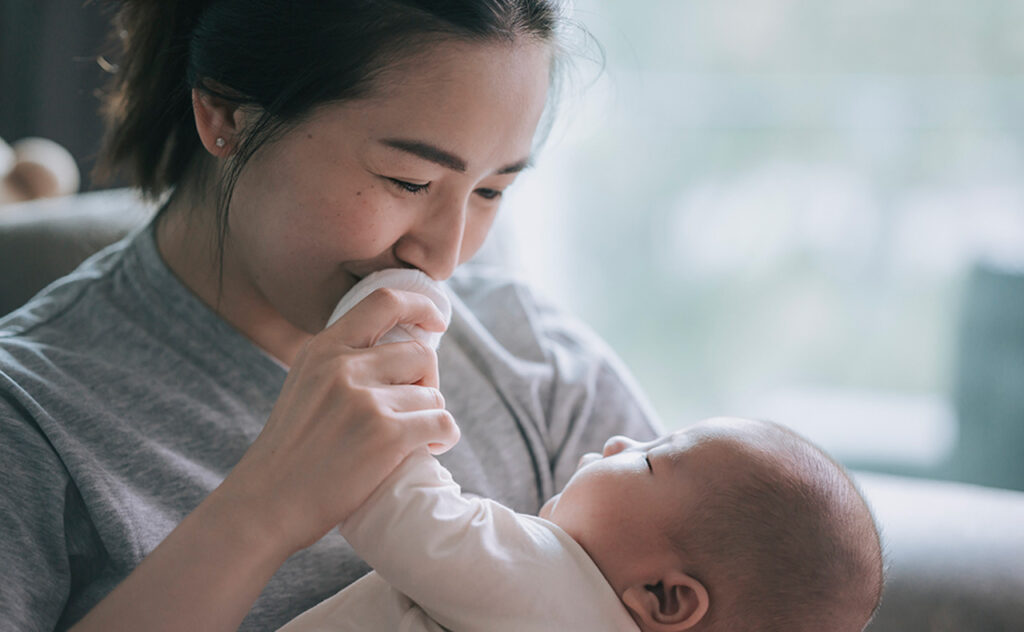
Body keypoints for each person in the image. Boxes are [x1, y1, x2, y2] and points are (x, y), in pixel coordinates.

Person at [0, 2, 661, 630]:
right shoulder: (30, 417)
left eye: (491, 190)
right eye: (409, 181)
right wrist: (264, 507)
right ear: (225, 111)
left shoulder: (539, 368)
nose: (445, 254)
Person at [280, 266, 884, 632]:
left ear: (665, 598)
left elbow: (395, 506)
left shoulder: (549, 587)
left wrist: (391, 332)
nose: (621, 437)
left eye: (649, 458)